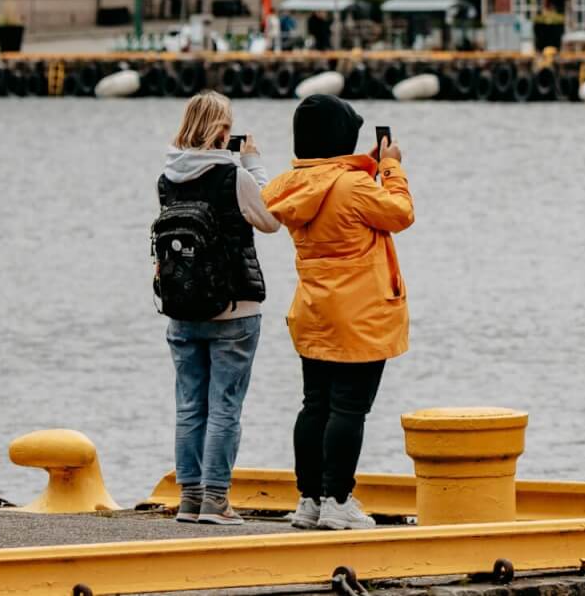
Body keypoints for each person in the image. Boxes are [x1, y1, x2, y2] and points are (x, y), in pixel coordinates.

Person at [263, 95, 414, 532]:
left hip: (314, 310)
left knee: (315, 405)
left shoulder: (292, 185)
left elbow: (329, 183)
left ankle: (309, 499)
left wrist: (361, 165)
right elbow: (400, 212)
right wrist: (390, 168)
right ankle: (338, 500)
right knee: (349, 409)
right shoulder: (355, 187)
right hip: (361, 314)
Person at [156, 91, 278, 526]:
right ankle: (215, 500)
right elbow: (271, 217)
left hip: (182, 308)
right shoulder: (233, 175)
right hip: (234, 308)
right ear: (221, 130)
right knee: (225, 406)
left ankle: (189, 499)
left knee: (189, 405)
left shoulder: (168, 177)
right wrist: (254, 165)